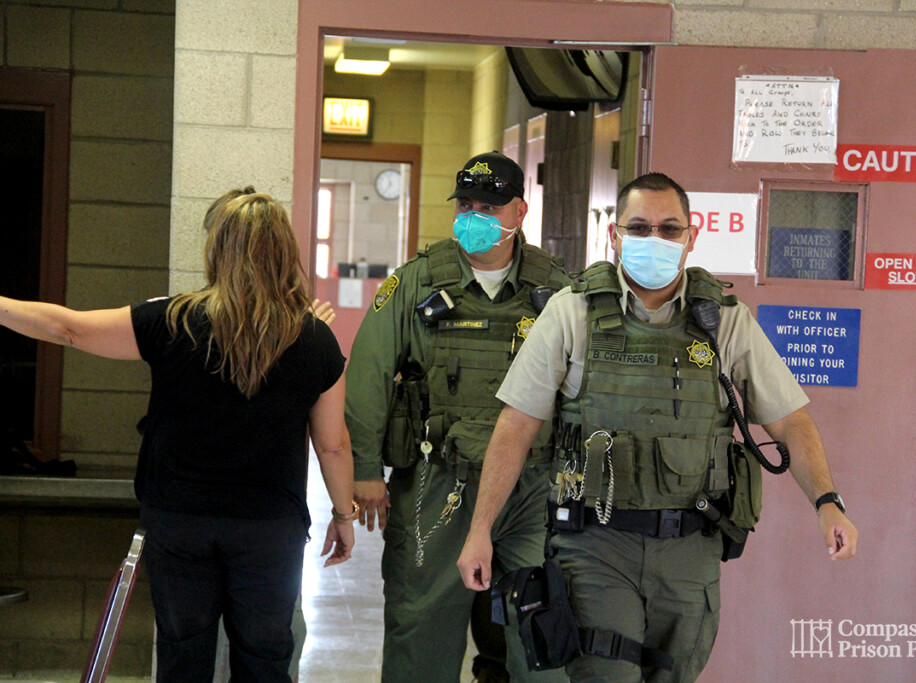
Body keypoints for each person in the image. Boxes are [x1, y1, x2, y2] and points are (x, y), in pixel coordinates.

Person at [457, 172, 859, 682]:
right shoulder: (572, 313)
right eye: (640, 227)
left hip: (689, 548)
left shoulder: (724, 321)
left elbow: (791, 422)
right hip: (595, 544)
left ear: (692, 237)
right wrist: (480, 532)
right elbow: (516, 425)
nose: (656, 240)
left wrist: (828, 503)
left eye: (670, 229)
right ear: (614, 235)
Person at [0, 190, 357, 681]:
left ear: (217, 250)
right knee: (264, 656)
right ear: (283, 251)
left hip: (178, 518)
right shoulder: (316, 338)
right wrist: (342, 515)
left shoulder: (171, 320)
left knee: (182, 652)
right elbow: (333, 444)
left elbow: (69, 329)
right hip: (268, 525)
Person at [345, 152, 571, 682]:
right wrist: (364, 470)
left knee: (536, 630)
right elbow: (369, 376)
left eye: (490, 207)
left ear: (520, 209)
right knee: (422, 626)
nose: (475, 216)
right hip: (436, 480)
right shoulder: (416, 283)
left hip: (530, 488)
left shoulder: (556, 293)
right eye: (467, 205)